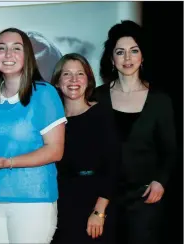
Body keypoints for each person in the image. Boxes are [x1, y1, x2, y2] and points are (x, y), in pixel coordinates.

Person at [0, 28, 66, 244]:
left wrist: (7, 162)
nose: (8, 54)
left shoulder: (45, 93)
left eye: (16, 48)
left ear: (27, 55)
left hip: (32, 199)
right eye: (1, 48)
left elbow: (55, 150)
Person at [94, 20, 177, 244]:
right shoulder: (97, 97)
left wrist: (160, 181)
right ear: (112, 59)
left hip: (145, 198)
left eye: (134, 51)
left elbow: (170, 150)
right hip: (104, 198)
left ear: (143, 57)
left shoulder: (160, 99)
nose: (127, 59)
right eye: (120, 52)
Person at [49, 53, 119, 244]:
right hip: (60, 205)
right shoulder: (51, 121)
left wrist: (99, 211)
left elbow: (113, 166)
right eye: (66, 74)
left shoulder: (101, 114)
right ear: (57, 82)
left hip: (95, 205)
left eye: (80, 74)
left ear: (88, 80)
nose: (73, 80)